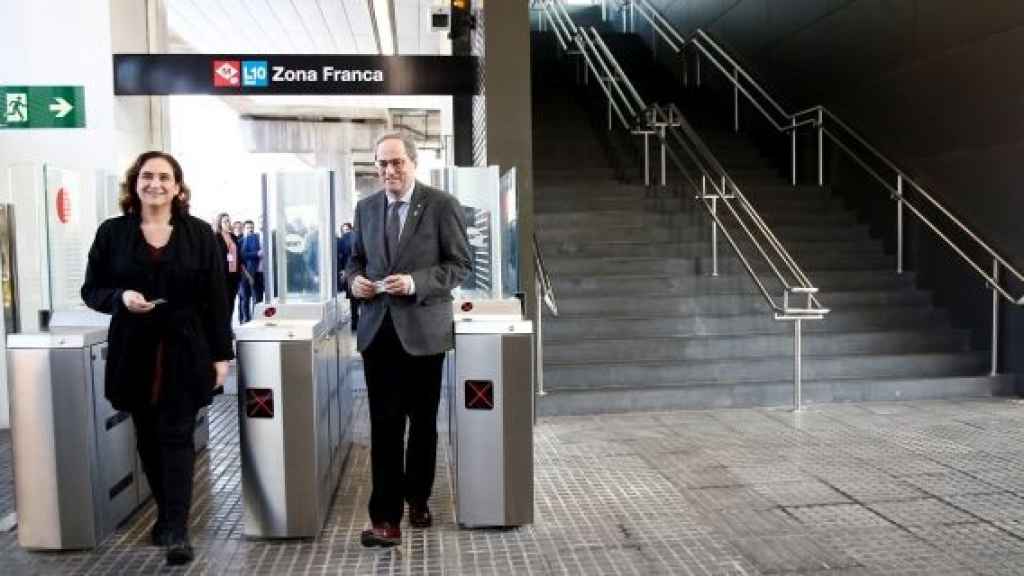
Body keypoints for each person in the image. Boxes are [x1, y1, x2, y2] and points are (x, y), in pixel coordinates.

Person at [81, 151, 233, 566]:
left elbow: (217, 299)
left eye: (165, 177)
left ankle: (177, 527)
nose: (156, 184)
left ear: (178, 186)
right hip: (134, 349)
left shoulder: (200, 234)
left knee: (177, 435)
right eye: (147, 176)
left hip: (186, 347)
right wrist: (119, 298)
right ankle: (168, 515)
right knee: (147, 436)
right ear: (135, 183)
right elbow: (91, 289)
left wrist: (223, 355)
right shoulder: (112, 234)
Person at [346, 132, 471, 548]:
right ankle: (385, 518)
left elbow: (459, 266)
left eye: (396, 162)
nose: (389, 171)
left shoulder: (441, 205)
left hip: (423, 333)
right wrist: (355, 282)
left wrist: (415, 282)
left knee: (421, 424)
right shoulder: (365, 208)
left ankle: (417, 497)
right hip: (378, 331)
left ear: (413, 163)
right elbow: (355, 260)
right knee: (383, 427)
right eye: (382, 164)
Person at [213, 212, 241, 317]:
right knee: (221, 303)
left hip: (233, 274)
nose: (228, 223)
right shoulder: (215, 237)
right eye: (225, 221)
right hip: (221, 275)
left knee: (231, 301)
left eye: (229, 220)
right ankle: (223, 329)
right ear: (219, 223)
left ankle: (229, 327)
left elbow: (238, 256)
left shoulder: (233, 237)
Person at [337, 222, 358, 330]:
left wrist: (343, 270)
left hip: (349, 271)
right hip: (352, 270)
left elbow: (340, 256)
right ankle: (356, 320)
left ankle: (355, 321)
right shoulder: (357, 236)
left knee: (353, 298)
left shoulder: (342, 240)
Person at [238, 220, 260, 323]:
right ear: (244, 229)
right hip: (243, 273)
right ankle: (245, 319)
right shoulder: (240, 241)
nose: (250, 230)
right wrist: (256, 253)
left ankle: (255, 319)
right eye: (248, 228)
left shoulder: (256, 239)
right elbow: (241, 256)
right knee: (244, 298)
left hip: (254, 272)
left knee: (256, 298)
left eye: (252, 227)